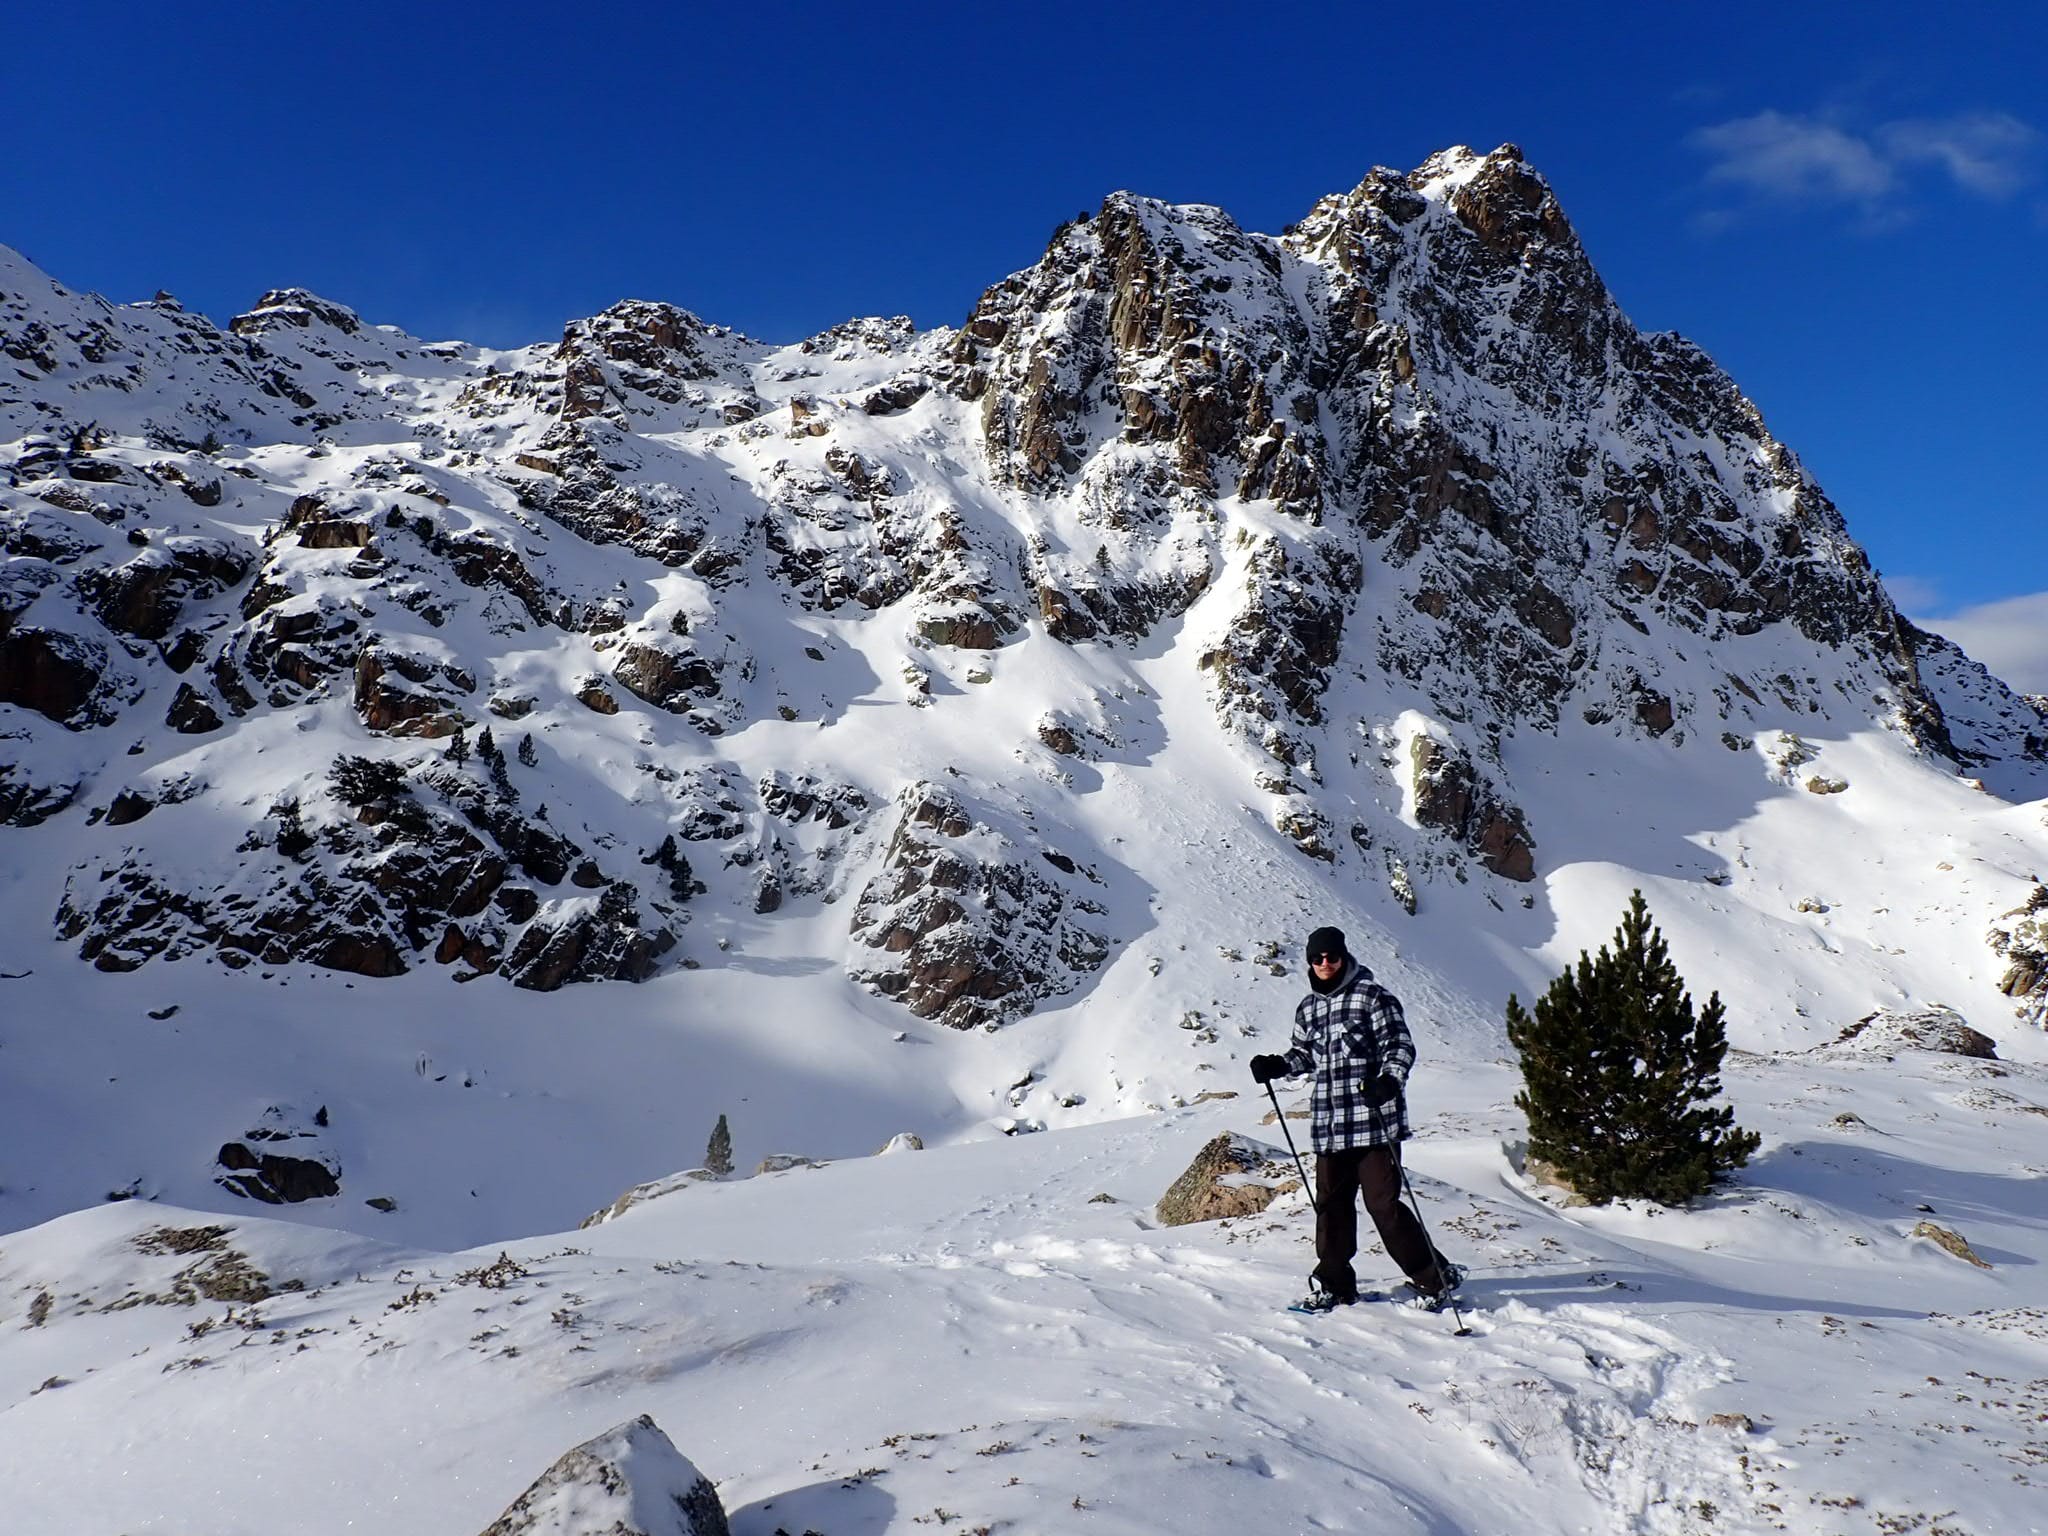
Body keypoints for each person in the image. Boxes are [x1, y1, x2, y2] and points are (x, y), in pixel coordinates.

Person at [1250, 925, 1463, 1312]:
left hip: (1373, 1122)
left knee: (1382, 1205)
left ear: (1344, 956)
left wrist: (1388, 1081)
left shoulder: (1372, 998)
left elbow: (1399, 1046)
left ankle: (1435, 1278)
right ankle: (1335, 1285)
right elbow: (1305, 1055)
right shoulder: (1308, 1007)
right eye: (1318, 958)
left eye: (1331, 956)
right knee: (1330, 1207)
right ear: (1310, 962)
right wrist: (1278, 1065)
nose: (1325, 963)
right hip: (1330, 1127)